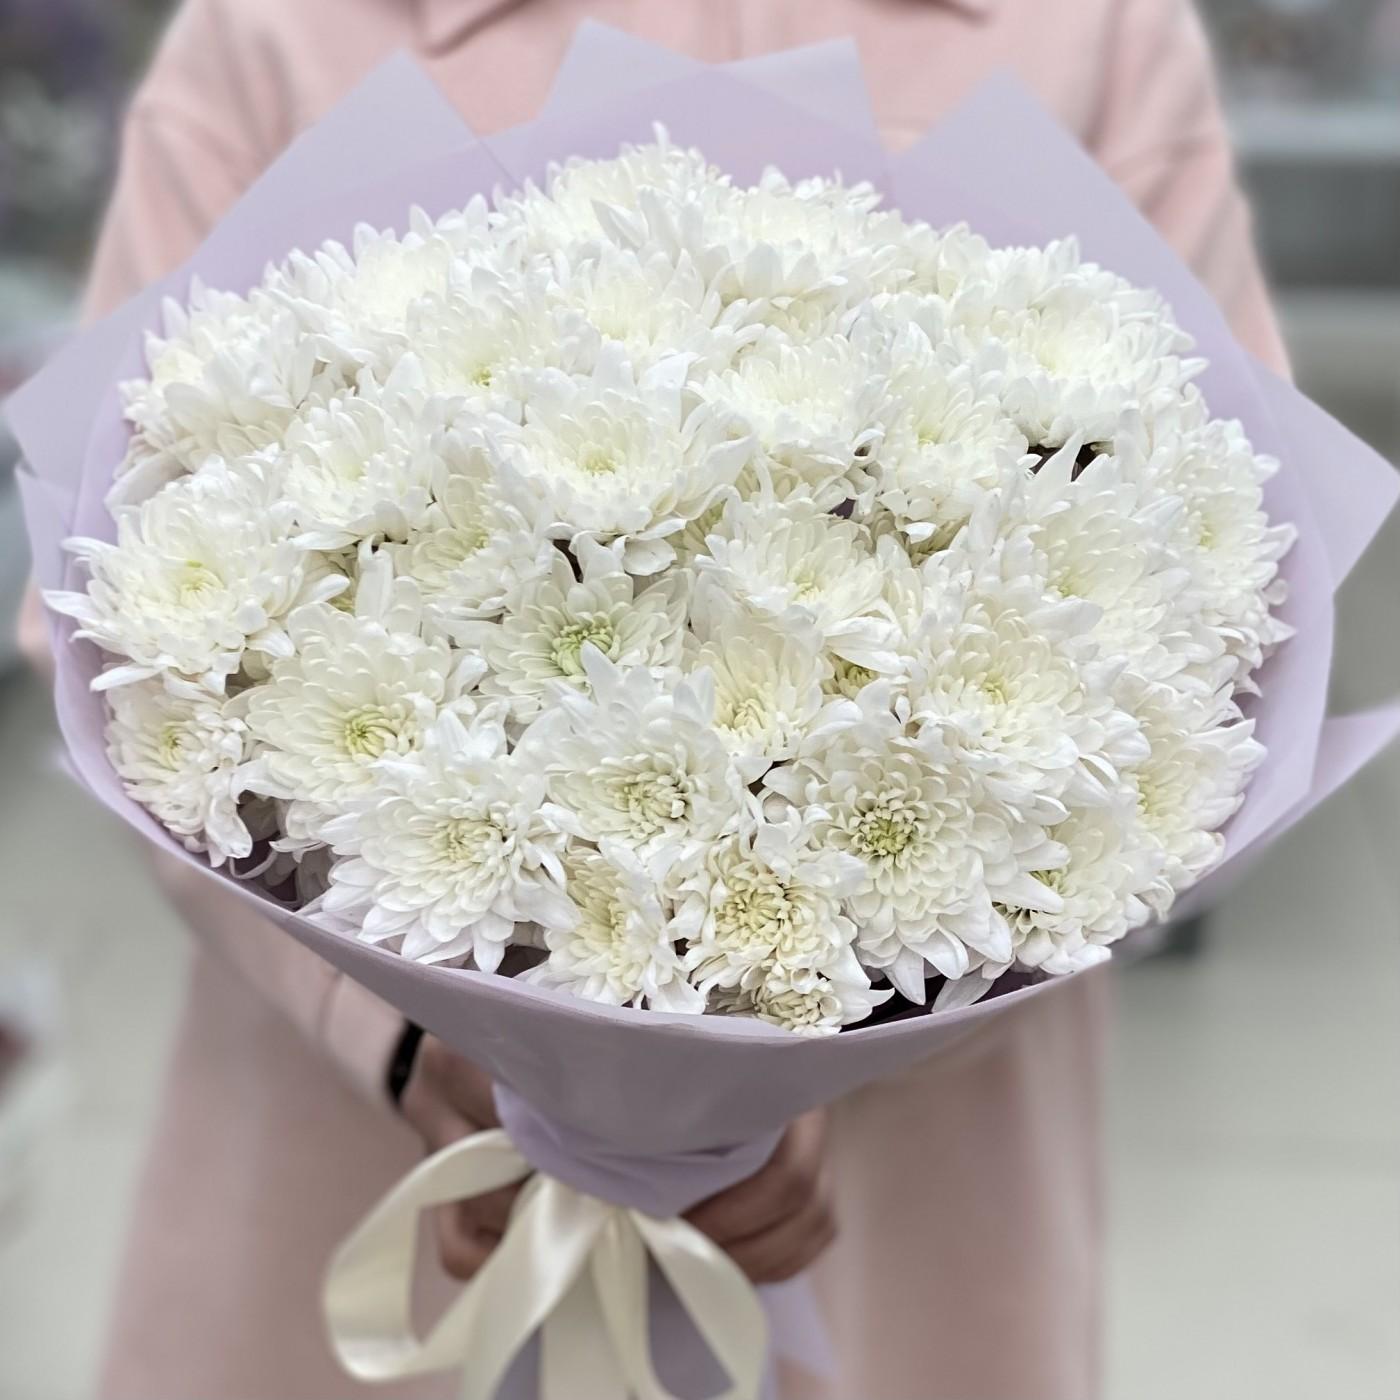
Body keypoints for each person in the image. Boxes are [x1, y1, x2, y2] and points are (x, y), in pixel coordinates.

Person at [16, 2, 1289, 1396]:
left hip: (903, 1163)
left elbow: (1222, 560)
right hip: (375, 1135)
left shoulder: (1096, 28)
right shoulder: (278, 25)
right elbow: (112, 575)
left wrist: (828, 1050)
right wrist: (401, 1043)